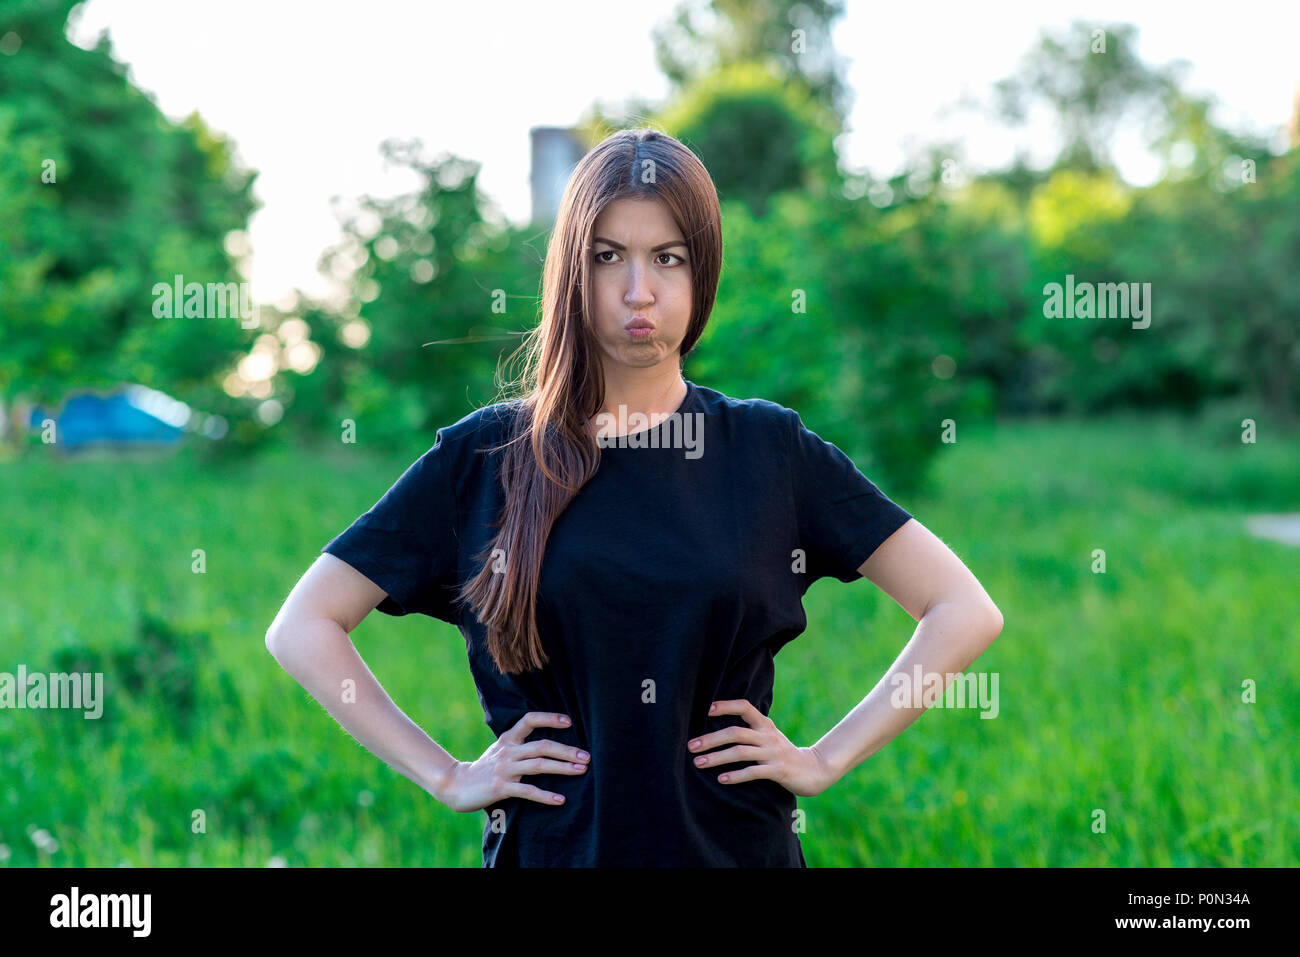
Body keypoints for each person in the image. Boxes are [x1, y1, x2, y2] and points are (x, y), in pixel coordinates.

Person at [265, 127, 1004, 867]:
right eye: (607, 256)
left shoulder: (767, 450)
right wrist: (449, 774)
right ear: (570, 273)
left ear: (702, 274)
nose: (637, 290)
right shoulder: (486, 455)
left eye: (668, 258)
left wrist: (824, 758)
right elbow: (304, 625)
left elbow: (963, 610)